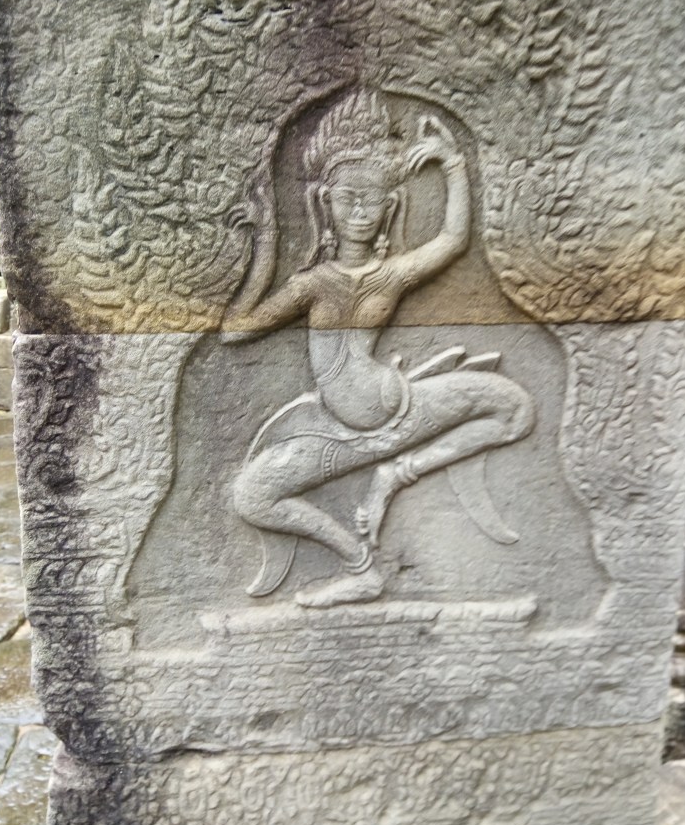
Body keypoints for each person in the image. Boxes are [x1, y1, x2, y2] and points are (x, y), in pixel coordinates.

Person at [222, 90, 534, 608]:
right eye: (349, 199)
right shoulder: (313, 284)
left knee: (515, 408)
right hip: (336, 432)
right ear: (325, 203)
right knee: (251, 497)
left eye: (372, 200)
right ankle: (361, 567)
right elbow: (237, 329)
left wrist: (453, 164)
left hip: (399, 410)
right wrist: (268, 241)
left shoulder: (392, 274)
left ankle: (395, 476)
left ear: (390, 206)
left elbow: (453, 240)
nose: (361, 212)